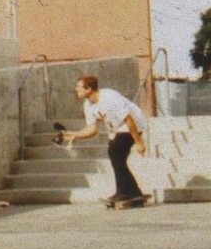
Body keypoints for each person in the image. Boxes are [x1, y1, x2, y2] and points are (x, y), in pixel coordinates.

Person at [62, 75, 148, 208]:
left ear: (89, 88)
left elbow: (129, 119)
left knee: (114, 152)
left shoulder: (109, 98)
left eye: (79, 87)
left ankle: (124, 192)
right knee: (117, 158)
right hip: (116, 129)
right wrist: (76, 135)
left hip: (134, 124)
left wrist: (139, 142)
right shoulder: (88, 104)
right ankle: (133, 192)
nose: (76, 90)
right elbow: (92, 129)